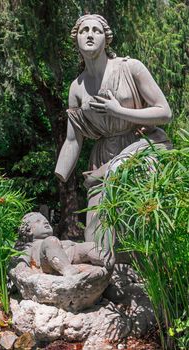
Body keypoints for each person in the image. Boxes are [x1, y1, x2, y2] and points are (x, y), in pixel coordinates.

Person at [55, 14, 172, 241]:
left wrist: (118, 110)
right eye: (83, 30)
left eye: (96, 30)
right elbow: (73, 139)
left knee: (140, 227)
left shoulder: (130, 68)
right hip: (103, 153)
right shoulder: (76, 88)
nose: (89, 34)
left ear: (106, 39)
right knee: (96, 239)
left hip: (141, 146)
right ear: (76, 39)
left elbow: (165, 113)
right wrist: (60, 175)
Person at [10, 212, 114, 278]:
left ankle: (105, 257)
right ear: (28, 231)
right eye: (38, 221)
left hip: (69, 253)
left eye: (46, 221)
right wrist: (21, 266)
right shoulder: (31, 245)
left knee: (88, 246)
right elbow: (22, 258)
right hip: (47, 262)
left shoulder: (54, 239)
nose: (45, 222)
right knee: (51, 241)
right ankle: (66, 269)